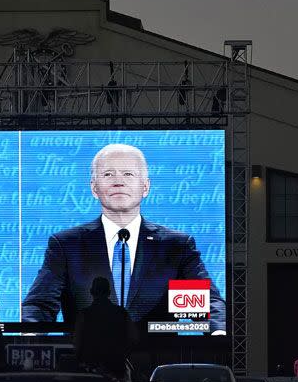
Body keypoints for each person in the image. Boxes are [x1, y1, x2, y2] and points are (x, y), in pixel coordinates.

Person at [21, 143, 226, 334]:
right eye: (108, 174)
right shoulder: (67, 245)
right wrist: (31, 336)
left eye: (128, 174)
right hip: (87, 364)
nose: (118, 181)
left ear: (145, 187)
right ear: (94, 188)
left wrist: (218, 333)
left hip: (155, 362)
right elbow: (39, 305)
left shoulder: (175, 247)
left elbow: (207, 303)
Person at [73, 277, 137, 379]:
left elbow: (77, 343)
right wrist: (121, 356)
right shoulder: (122, 313)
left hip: (91, 373)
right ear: (109, 293)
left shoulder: (84, 315)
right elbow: (133, 339)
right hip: (116, 370)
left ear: (91, 292)